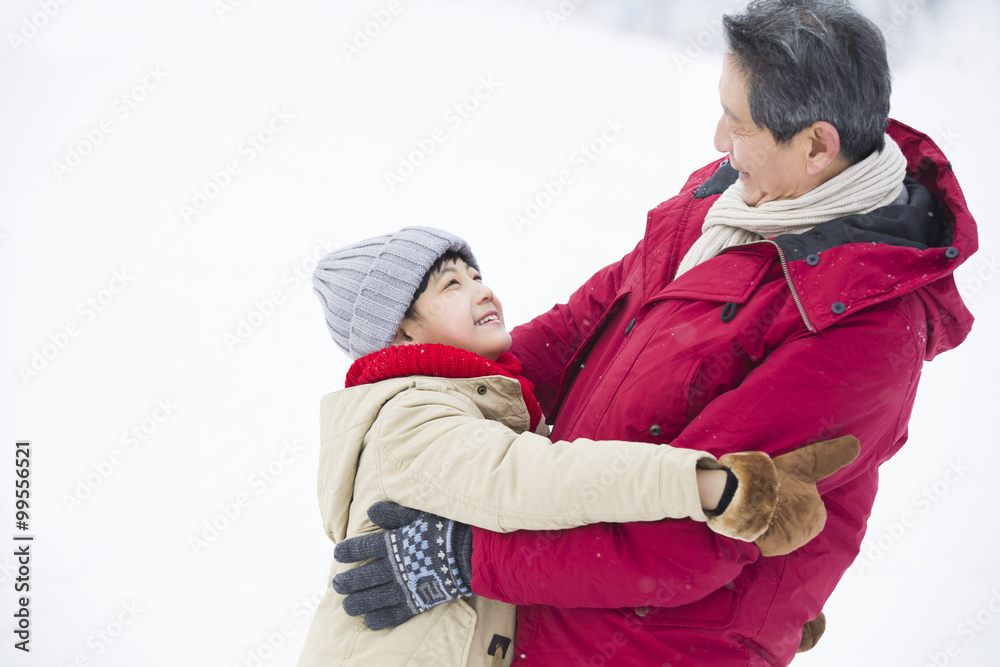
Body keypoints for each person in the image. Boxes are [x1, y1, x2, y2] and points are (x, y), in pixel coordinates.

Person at [330, 1, 978, 665]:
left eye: (740, 121)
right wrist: (438, 389)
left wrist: (468, 555)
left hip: (654, 643)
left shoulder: (861, 332)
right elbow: (591, 318)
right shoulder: (731, 196)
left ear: (817, 145)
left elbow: (691, 532)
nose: (718, 138)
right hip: (550, 600)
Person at [296, 226, 857, 667]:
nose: (482, 288)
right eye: (451, 284)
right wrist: (707, 484)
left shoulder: (476, 404)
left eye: (475, 273)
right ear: (401, 333)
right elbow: (542, 482)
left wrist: (766, 609)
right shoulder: (411, 418)